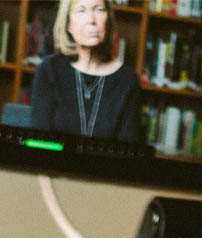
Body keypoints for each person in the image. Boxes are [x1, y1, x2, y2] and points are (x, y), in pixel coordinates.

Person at [29, 0, 142, 142]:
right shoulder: (49, 70)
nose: (91, 20)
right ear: (68, 24)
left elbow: (128, 152)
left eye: (99, 10)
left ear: (108, 20)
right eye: (81, 11)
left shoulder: (128, 80)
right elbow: (39, 142)